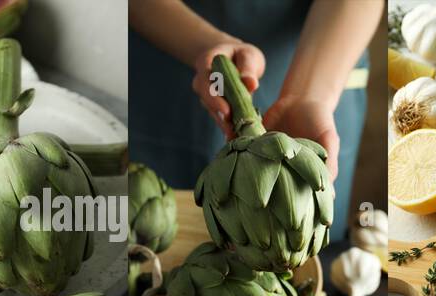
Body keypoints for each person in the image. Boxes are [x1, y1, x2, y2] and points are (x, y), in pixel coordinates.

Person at [129, 0, 382, 241]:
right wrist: (204, 45)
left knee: (309, 256)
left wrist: (304, 98)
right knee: (146, 240)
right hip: (164, 72)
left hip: (324, 67)